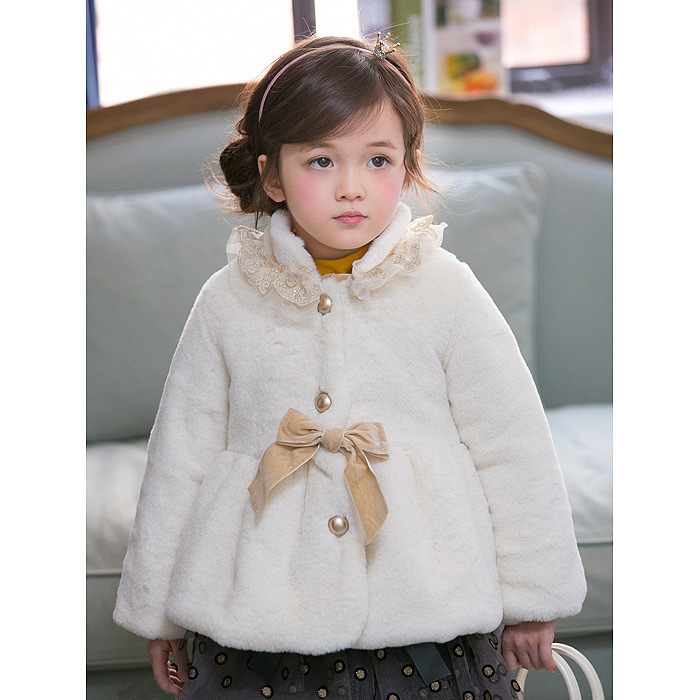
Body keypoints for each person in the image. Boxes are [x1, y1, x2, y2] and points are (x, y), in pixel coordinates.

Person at [113, 33, 587, 700]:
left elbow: (512, 444)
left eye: (378, 159)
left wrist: (532, 598)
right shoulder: (228, 300)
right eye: (320, 160)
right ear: (272, 175)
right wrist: (157, 608)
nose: (351, 187)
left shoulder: (446, 289)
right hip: (259, 619)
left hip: (428, 609)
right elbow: (180, 458)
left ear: (407, 167)